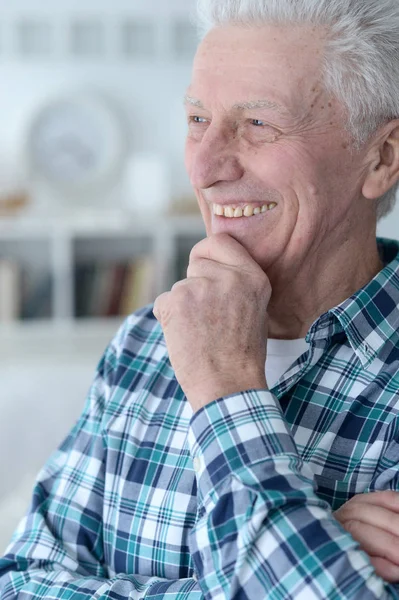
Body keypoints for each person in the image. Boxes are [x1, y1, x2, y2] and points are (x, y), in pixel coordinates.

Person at [2, 0, 399, 597]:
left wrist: (225, 388)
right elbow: (21, 583)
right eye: (195, 119)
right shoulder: (143, 341)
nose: (206, 166)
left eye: (258, 124)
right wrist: (295, 559)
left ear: (382, 157)